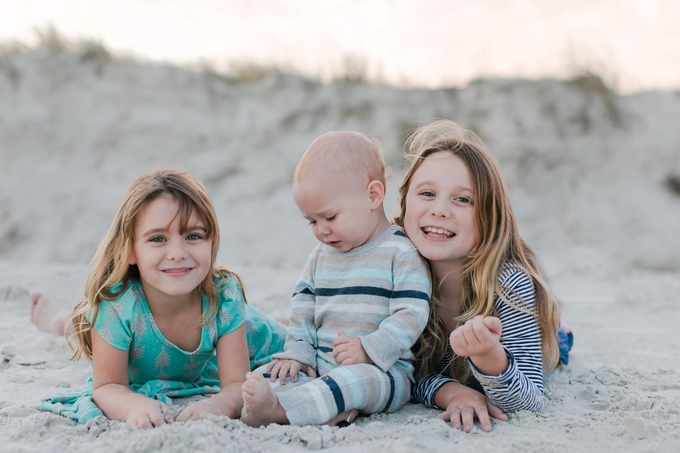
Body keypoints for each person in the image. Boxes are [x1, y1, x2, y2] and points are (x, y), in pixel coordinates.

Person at [39, 169, 286, 428]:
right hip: (116, 325)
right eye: (158, 238)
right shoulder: (117, 307)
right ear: (129, 251)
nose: (177, 253)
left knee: (285, 334)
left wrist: (217, 405)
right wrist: (135, 405)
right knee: (84, 323)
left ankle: (282, 318)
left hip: (240, 338)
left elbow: (235, 383)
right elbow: (107, 386)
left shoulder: (224, 297)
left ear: (211, 242)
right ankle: (63, 321)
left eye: (193, 236)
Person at [240, 131, 432, 427]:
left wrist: (370, 348)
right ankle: (323, 409)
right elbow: (303, 305)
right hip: (321, 365)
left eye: (330, 217)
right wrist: (299, 353)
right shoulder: (320, 256)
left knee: (355, 381)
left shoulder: (400, 251)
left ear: (373, 195)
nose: (321, 231)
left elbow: (412, 313)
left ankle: (280, 412)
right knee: (274, 373)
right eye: (312, 222)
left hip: (384, 371)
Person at [393, 120, 572, 433]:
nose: (439, 210)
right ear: (405, 200)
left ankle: (558, 324)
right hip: (459, 369)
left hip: (538, 336)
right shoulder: (393, 269)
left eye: (462, 199)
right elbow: (404, 374)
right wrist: (452, 392)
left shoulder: (509, 285)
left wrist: (489, 355)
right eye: (427, 193)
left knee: (556, 338)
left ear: (490, 215)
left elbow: (529, 400)